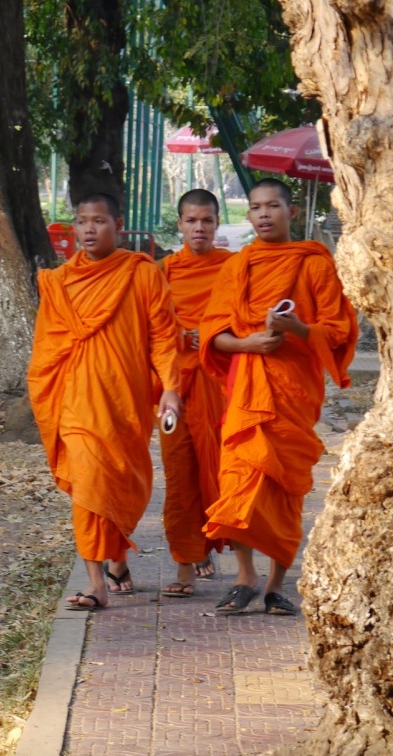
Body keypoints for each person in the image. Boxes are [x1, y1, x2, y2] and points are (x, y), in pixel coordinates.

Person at [199, 178, 358, 615]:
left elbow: (339, 330)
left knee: (286, 485)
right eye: (255, 207)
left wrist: (297, 330)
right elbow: (212, 336)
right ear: (247, 215)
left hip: (293, 390)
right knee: (238, 478)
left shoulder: (314, 264)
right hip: (247, 389)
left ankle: (275, 584)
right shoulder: (237, 267)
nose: (264, 214)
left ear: (291, 211)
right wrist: (247, 344)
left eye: (273, 206)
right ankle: (245, 577)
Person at [27, 193, 182, 611]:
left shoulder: (141, 273)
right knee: (90, 487)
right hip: (78, 403)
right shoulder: (59, 284)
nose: (89, 229)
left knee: (120, 483)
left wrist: (170, 387)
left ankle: (118, 561)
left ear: (119, 224)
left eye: (99, 221)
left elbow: (164, 336)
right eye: (82, 222)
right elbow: (46, 350)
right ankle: (95, 582)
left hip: (126, 401)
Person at [158, 189, 233, 598]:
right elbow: (151, 328)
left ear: (217, 224)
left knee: (224, 471)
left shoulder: (234, 268)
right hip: (175, 388)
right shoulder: (165, 272)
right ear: (180, 225)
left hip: (221, 384)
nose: (198, 228)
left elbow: (246, 319)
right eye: (191, 221)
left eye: (206, 220)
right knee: (180, 475)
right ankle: (185, 564)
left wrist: (205, 336)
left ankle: (232, 557)